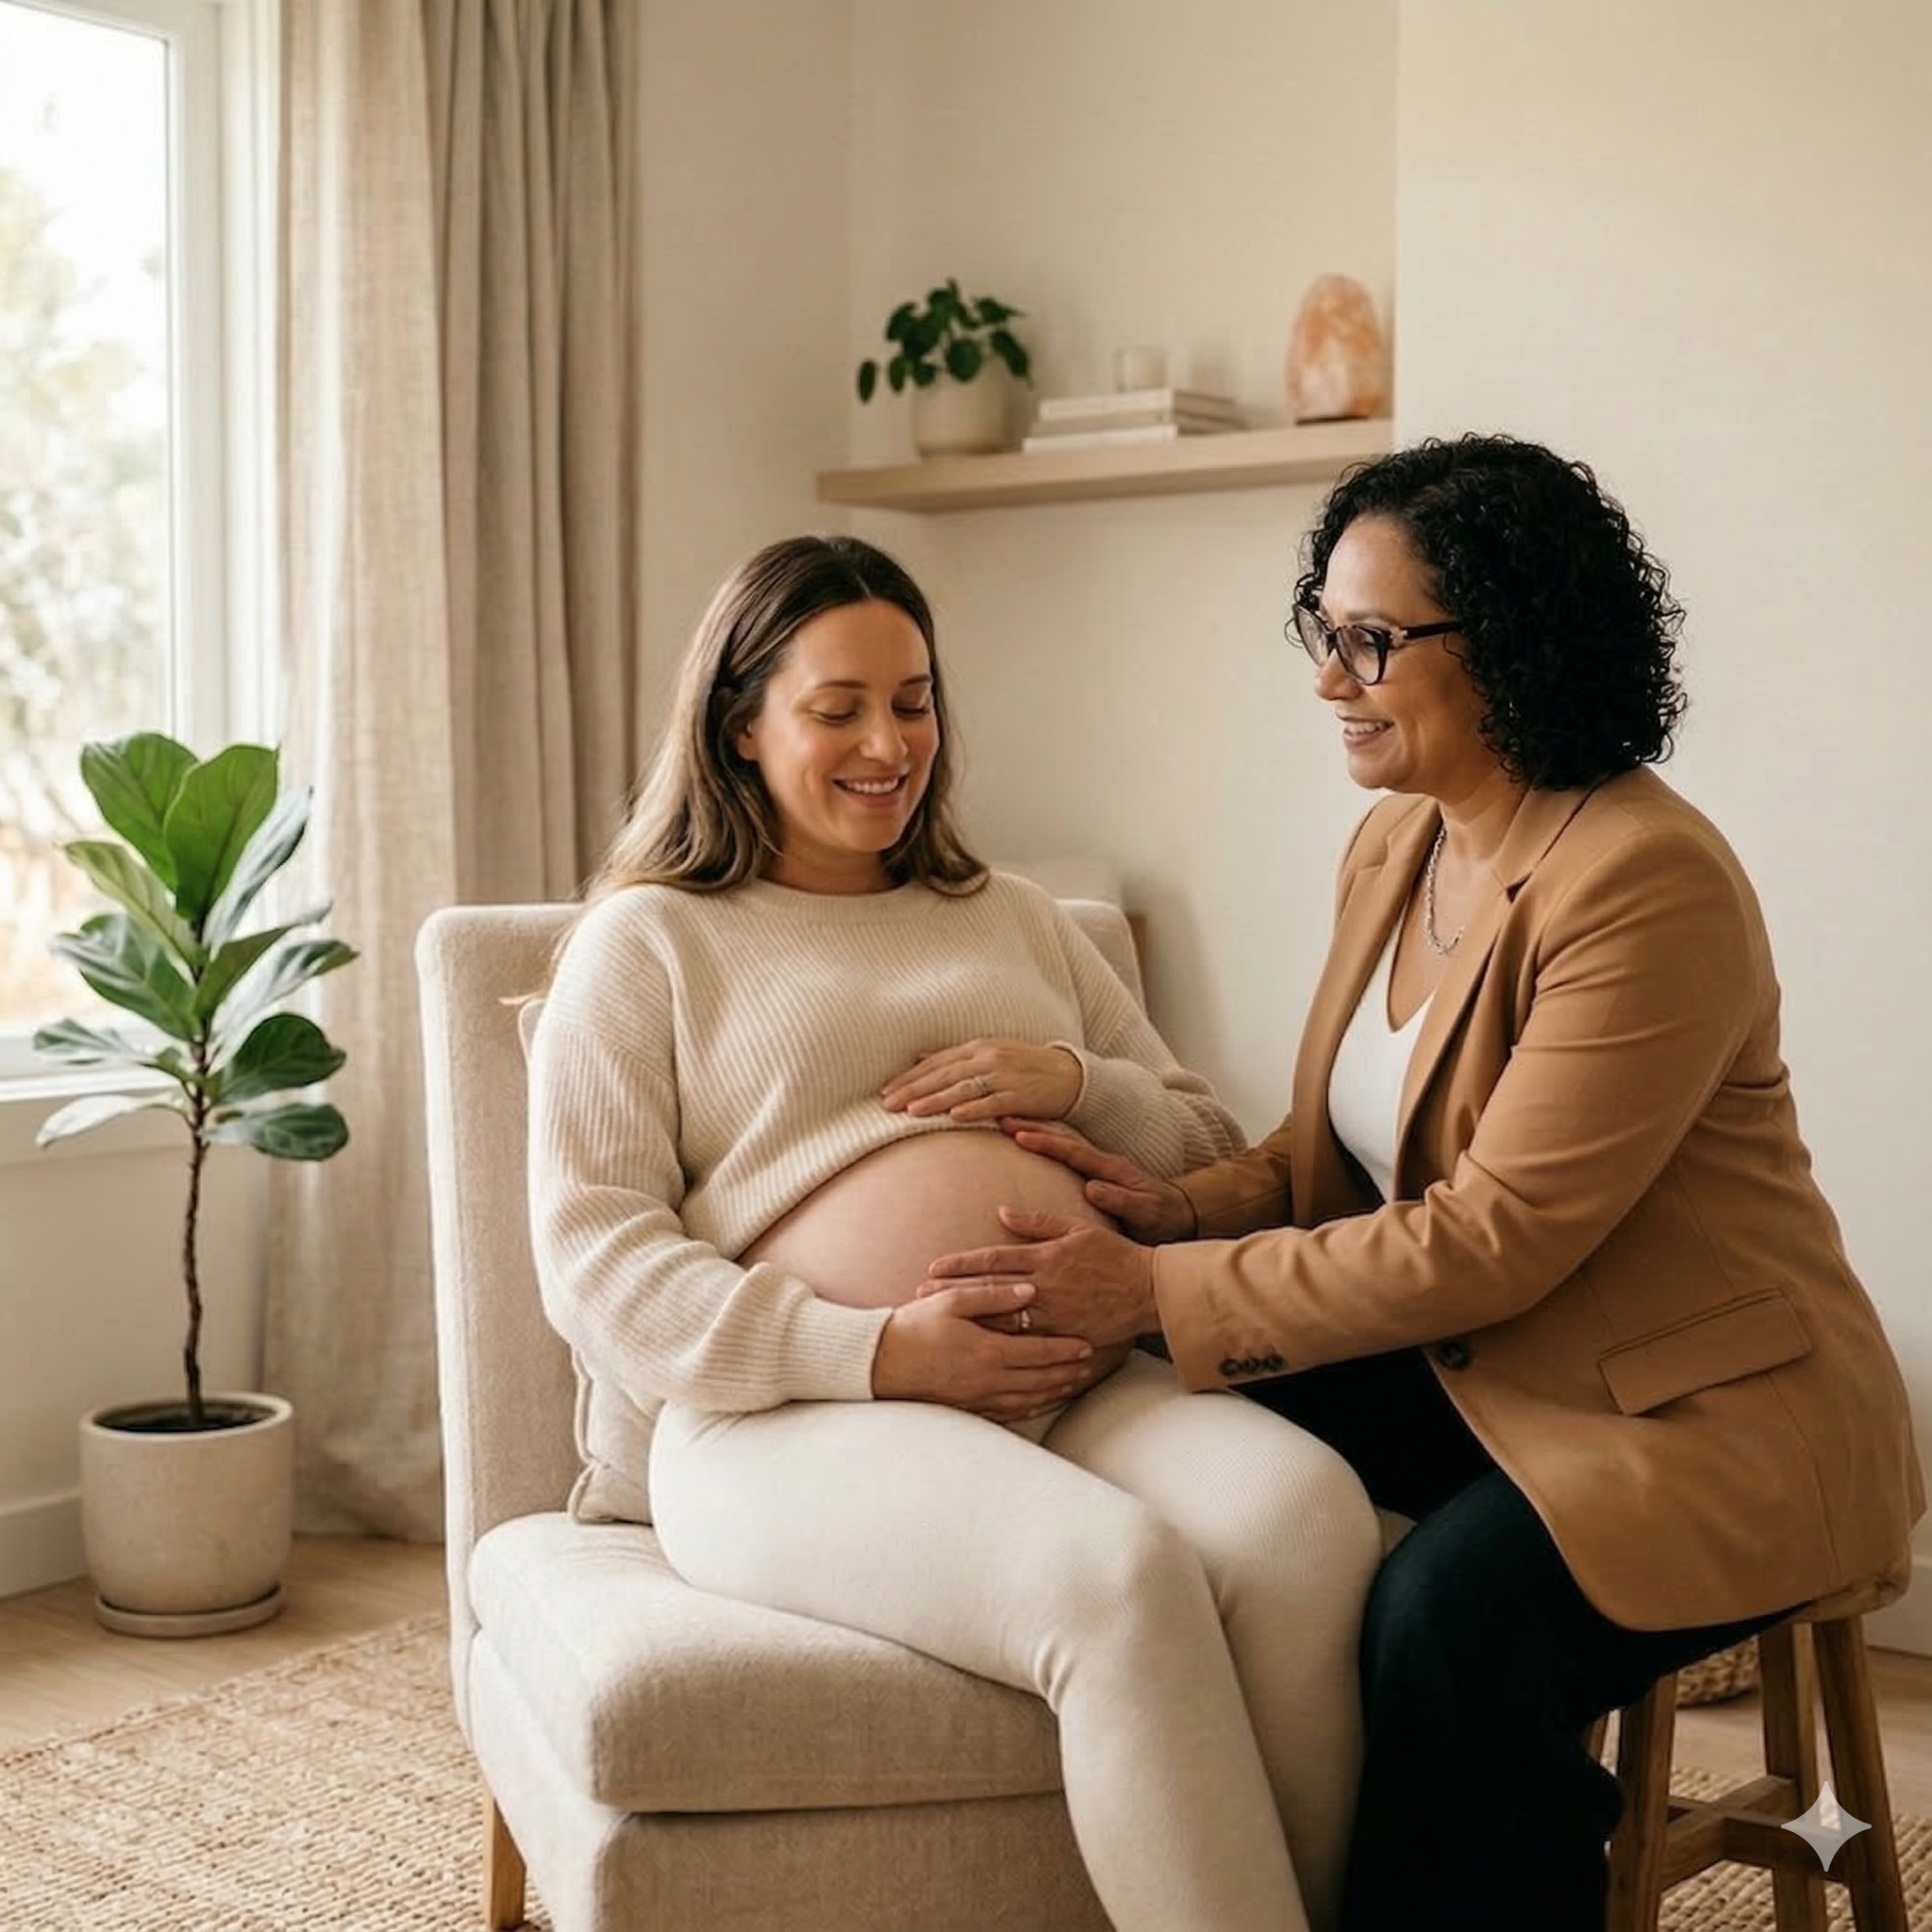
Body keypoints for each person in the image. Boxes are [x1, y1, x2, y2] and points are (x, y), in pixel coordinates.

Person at [923, 435, 1925, 1932]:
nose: (1331, 677)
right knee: (1154, 1423)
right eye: (1323, 631)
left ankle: (1503, 1854)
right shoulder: (1396, 842)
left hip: (1705, 1412)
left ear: (1513, 644)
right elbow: (1342, 1149)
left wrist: (1155, 1288)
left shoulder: (1647, 881)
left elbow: (1491, 1237)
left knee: (1444, 1625)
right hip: (1494, 1356)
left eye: (1373, 642)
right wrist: (1177, 1212)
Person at [524, 533, 1385, 1932]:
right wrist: (876, 1352)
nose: (890, 741)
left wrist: (1077, 1084)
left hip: (1081, 1378)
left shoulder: (1022, 920)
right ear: (741, 726)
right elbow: (597, 1262)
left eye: (914, 700)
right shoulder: (651, 945)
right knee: (1118, 1584)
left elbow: (1216, 1155)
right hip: (785, 1421)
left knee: (1306, 1527)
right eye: (838, 707)